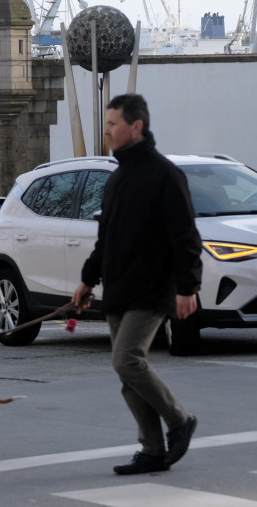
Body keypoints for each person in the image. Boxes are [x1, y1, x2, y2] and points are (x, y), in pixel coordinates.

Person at [72, 93, 200, 475]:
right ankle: (152, 450)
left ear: (136, 126)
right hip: (119, 288)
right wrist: (87, 279)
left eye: (113, 124)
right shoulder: (117, 179)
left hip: (152, 288)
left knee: (126, 359)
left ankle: (179, 422)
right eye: (107, 124)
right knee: (127, 371)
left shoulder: (165, 175)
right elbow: (105, 238)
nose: (107, 131)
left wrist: (187, 287)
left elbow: (186, 238)